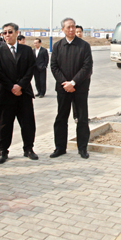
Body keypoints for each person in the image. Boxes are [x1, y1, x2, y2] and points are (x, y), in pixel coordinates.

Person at [0, 22, 38, 163]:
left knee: (27, 122)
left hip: (24, 93)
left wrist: (20, 86)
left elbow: (30, 69)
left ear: (17, 33)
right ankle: (3, 151)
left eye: (10, 32)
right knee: (4, 123)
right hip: (6, 93)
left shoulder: (26, 50)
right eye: (4, 33)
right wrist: (11, 87)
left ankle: (28, 149)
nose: (7, 35)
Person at [50, 17, 93, 159]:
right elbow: (54, 67)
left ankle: (82, 148)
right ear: (62, 29)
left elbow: (87, 67)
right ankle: (60, 148)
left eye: (73, 26)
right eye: (68, 27)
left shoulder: (84, 46)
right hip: (63, 89)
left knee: (82, 118)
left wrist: (73, 83)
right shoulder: (57, 46)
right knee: (61, 118)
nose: (71, 29)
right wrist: (65, 83)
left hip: (80, 89)